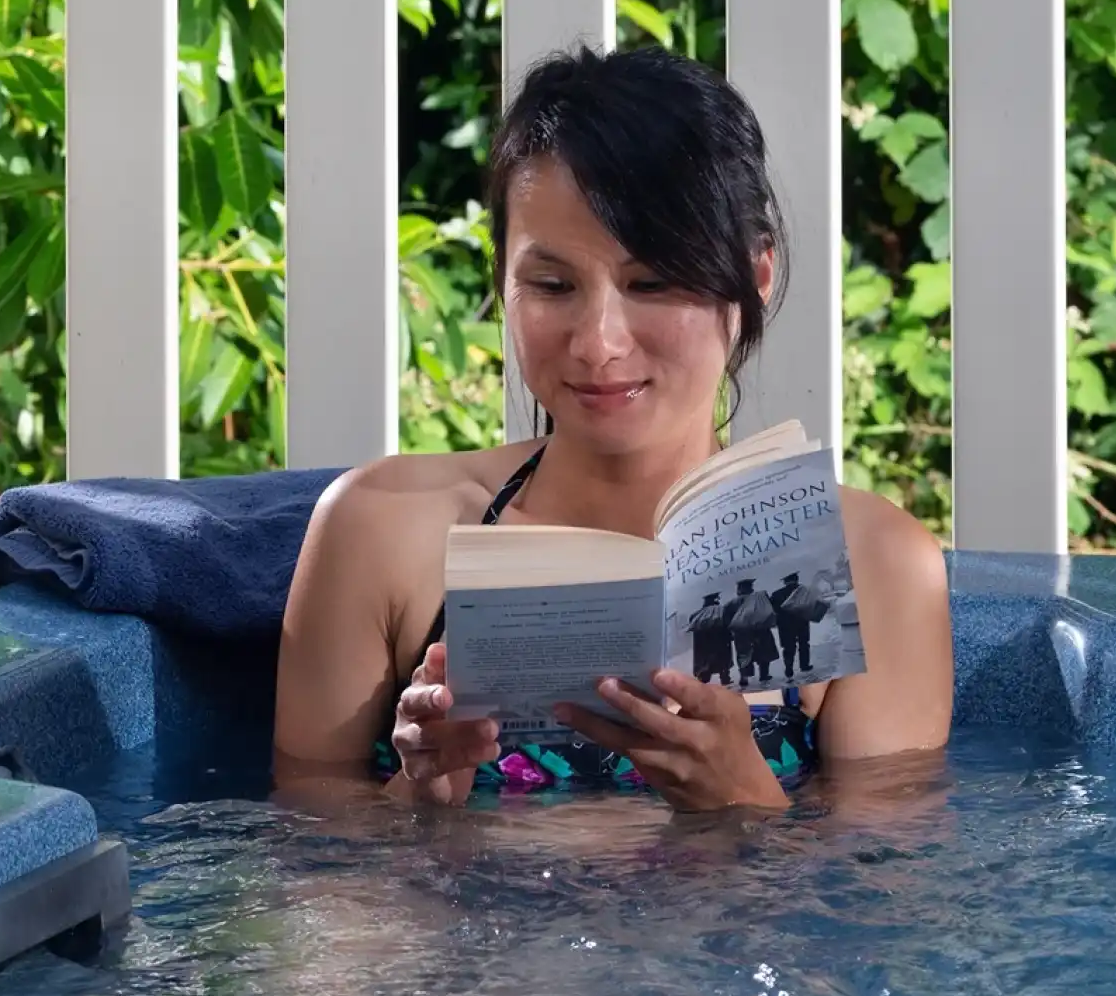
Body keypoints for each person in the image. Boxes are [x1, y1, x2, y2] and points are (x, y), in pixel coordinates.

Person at [272, 46, 953, 813]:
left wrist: (745, 809)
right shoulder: (381, 529)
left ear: (755, 278)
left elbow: (879, 912)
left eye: (652, 282)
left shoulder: (878, 568)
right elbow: (311, 874)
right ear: (501, 279)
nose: (598, 342)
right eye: (553, 284)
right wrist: (421, 802)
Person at [771, 572, 827, 680]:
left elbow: (773, 611)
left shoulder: (776, 594)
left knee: (788, 648)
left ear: (785, 582)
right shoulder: (805, 591)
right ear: (797, 579)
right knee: (804, 644)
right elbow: (814, 604)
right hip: (802, 622)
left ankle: (789, 669)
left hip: (785, 626)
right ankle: (804, 666)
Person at [725, 579, 779, 686]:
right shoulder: (760, 598)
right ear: (751, 588)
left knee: (744, 655)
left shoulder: (731, 603)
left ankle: (744, 677)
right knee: (763, 653)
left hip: (741, 634)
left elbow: (727, 620)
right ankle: (764, 675)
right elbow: (770, 610)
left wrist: (731, 633)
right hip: (761, 631)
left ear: (739, 590)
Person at [689, 591, 734, 687]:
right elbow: (728, 624)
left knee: (705, 662)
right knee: (723, 659)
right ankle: (725, 679)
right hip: (721, 640)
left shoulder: (696, 614)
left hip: (704, 643)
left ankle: (703, 680)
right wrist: (730, 636)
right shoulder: (722, 610)